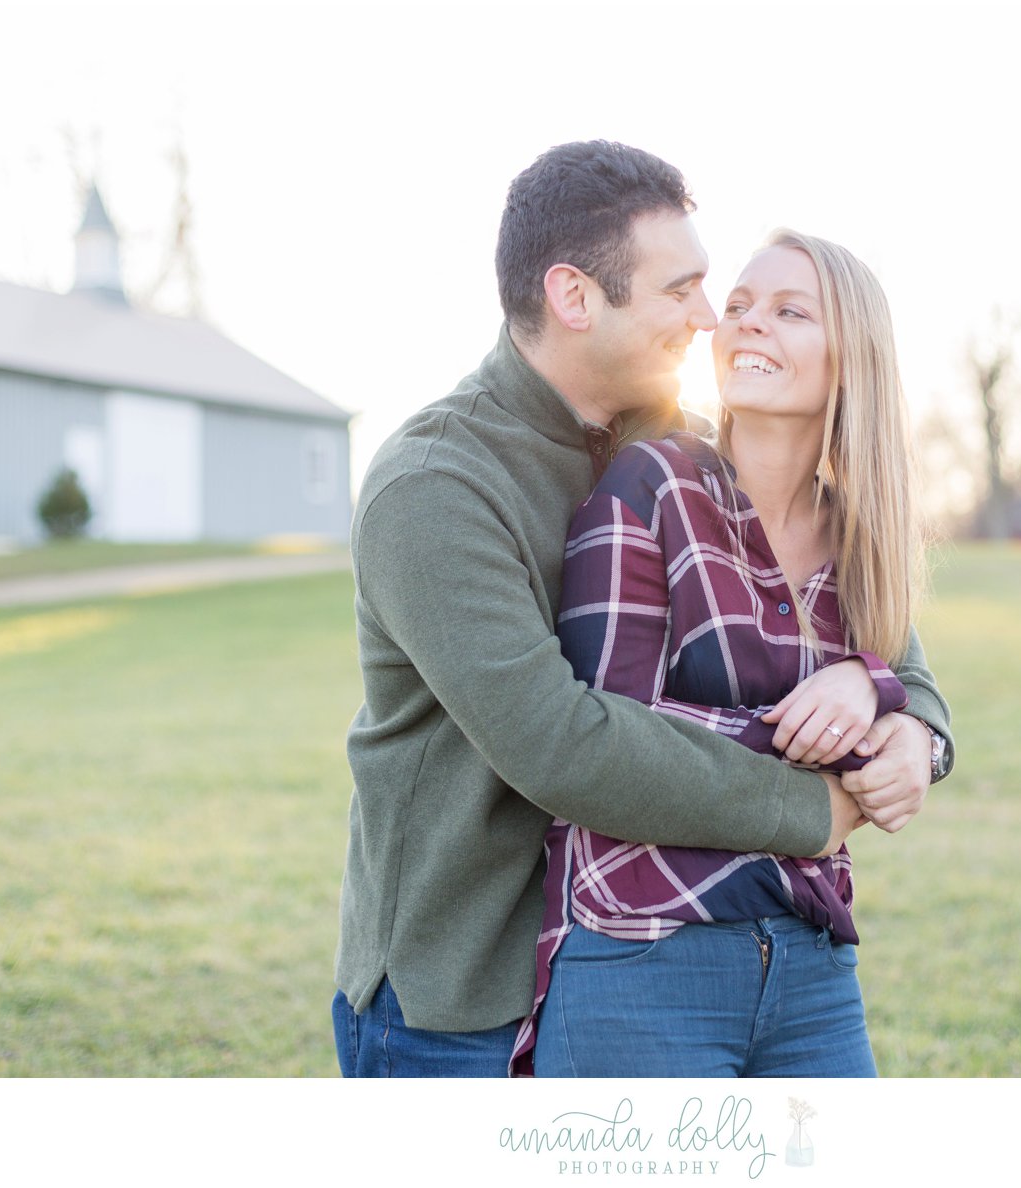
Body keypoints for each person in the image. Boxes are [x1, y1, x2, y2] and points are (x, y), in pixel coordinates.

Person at [332, 142, 953, 1077]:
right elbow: (562, 744)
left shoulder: (684, 453)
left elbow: (888, 650)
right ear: (575, 297)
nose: (710, 320)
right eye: (683, 291)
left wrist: (908, 725)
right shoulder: (435, 485)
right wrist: (813, 809)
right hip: (463, 995)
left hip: (639, 959)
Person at [518, 230, 936, 1077]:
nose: (746, 325)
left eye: (788, 312)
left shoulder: (863, 538)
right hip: (640, 952)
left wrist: (884, 701)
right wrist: (849, 741)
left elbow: (914, 689)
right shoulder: (652, 485)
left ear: (851, 357)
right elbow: (614, 741)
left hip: (811, 962)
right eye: (738, 308)